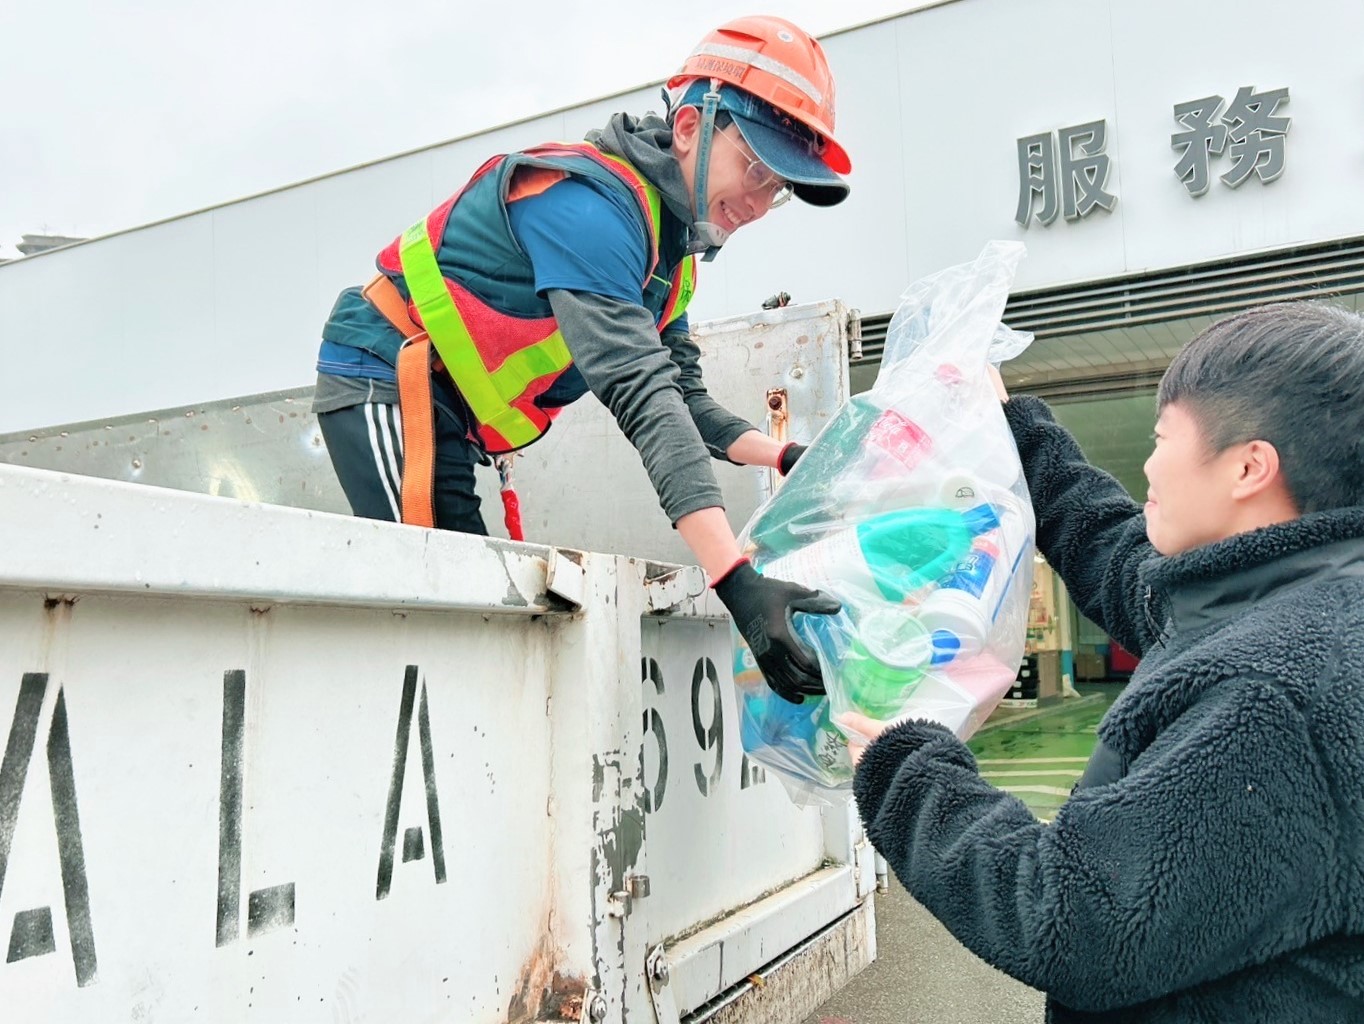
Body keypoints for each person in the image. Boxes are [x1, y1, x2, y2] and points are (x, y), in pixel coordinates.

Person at [840, 301, 1364, 1022]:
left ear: (1249, 466)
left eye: (1162, 437)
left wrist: (904, 767)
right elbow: (1116, 554)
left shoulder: (1270, 692)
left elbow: (1077, 920)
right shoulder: (1289, 599)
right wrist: (1013, 431)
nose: (1148, 462)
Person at [311, 16, 849, 703]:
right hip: (385, 376)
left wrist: (784, 458)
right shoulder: (588, 208)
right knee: (439, 614)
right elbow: (641, 394)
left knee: (467, 621)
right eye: (755, 169)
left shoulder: (667, 257)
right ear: (690, 127)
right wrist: (735, 580)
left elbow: (684, 399)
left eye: (778, 189)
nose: (758, 203)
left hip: (447, 413)